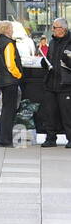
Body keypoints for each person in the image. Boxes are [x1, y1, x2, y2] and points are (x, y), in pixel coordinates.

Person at [0, 21, 24, 147]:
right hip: (10, 80)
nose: (12, 30)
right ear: (6, 30)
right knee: (9, 111)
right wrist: (19, 75)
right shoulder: (8, 44)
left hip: (2, 79)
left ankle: (3, 139)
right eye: (11, 28)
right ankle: (6, 140)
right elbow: (10, 64)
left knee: (5, 110)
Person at [45, 17, 71, 148]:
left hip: (65, 84)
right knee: (50, 113)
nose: (53, 30)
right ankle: (50, 138)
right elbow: (49, 57)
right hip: (51, 83)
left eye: (55, 27)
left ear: (63, 29)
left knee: (67, 114)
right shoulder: (52, 42)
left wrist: (68, 60)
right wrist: (44, 63)